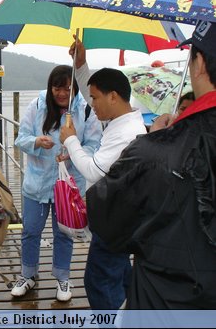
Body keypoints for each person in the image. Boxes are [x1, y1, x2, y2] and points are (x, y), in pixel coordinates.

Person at [86, 20, 216, 309]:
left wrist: (152, 144)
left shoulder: (154, 151)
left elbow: (104, 217)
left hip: (164, 305)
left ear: (200, 64)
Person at [59, 38, 147, 310]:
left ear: (113, 97)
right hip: (118, 218)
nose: (91, 104)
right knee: (119, 275)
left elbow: (93, 171)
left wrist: (71, 140)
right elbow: (89, 94)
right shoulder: (120, 118)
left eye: (96, 98)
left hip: (115, 222)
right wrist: (81, 65)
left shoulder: (125, 134)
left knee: (98, 281)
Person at [10, 65, 102, 301]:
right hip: (37, 183)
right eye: (56, 87)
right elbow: (21, 139)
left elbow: (93, 145)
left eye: (67, 88)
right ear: (50, 87)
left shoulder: (85, 110)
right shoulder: (37, 105)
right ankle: (28, 275)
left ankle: (62, 277)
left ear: (75, 88)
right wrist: (37, 142)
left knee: (65, 233)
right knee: (30, 231)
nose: (61, 93)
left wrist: (72, 151)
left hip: (69, 185)